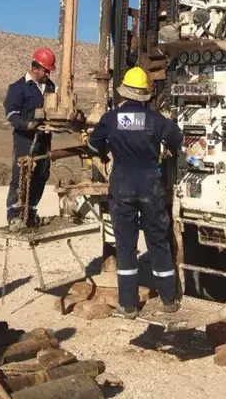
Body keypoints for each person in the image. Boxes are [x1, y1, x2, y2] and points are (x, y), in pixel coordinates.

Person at [87, 66, 183, 319]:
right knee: (158, 241)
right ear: (144, 95)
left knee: (126, 245)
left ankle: (128, 305)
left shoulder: (111, 119)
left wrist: (105, 148)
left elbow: (92, 143)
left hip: (123, 184)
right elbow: (177, 137)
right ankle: (168, 299)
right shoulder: (154, 120)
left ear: (124, 93)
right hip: (150, 184)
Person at [4, 48, 56, 232]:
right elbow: (12, 115)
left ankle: (31, 212)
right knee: (21, 176)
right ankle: (14, 216)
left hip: (44, 139)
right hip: (25, 140)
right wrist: (28, 125)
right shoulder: (17, 88)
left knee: (41, 175)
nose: (48, 74)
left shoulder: (50, 87)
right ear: (35, 68)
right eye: (46, 70)